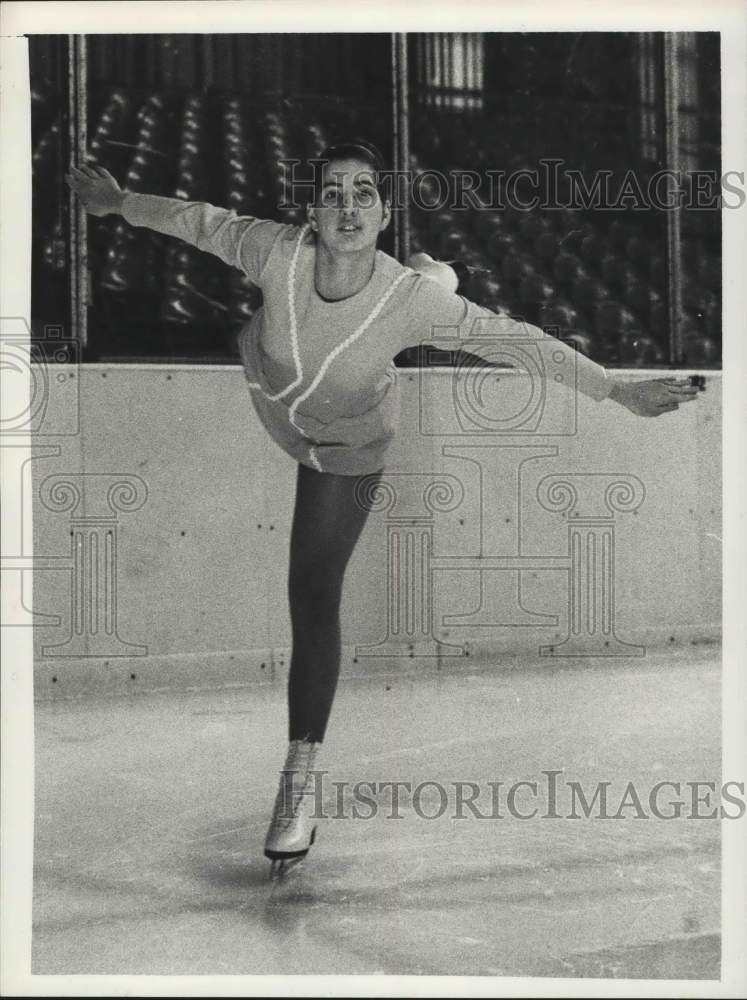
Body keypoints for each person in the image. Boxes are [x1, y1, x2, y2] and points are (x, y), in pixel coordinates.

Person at [66, 140, 700, 876]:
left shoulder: (406, 301)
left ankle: (297, 779)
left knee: (311, 588)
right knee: (370, 303)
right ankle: (442, 268)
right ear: (311, 210)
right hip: (276, 397)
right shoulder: (275, 250)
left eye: (363, 193)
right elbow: (194, 218)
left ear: (384, 212)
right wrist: (117, 204)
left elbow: (517, 342)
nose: (346, 206)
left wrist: (616, 390)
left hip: (351, 441)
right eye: (332, 192)